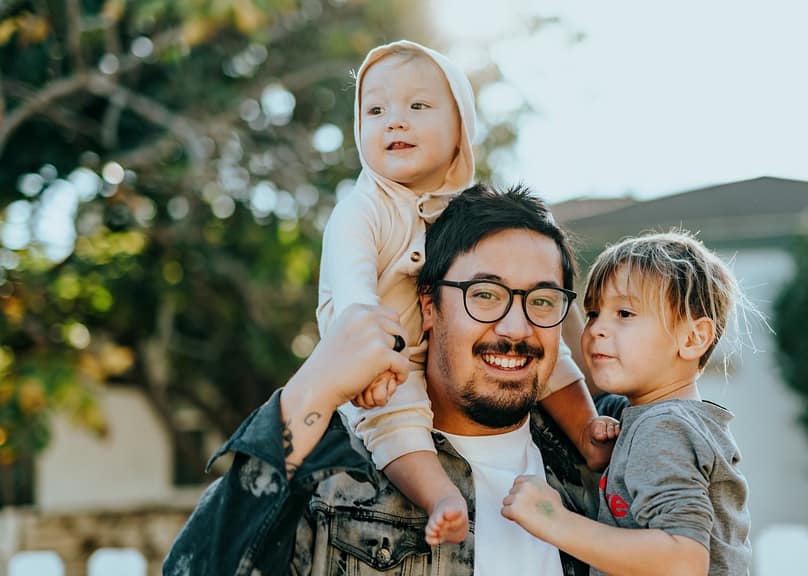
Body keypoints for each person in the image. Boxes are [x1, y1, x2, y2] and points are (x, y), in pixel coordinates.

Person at [164, 184, 614, 576]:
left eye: (541, 300)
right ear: (429, 305)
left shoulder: (611, 463)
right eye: (485, 295)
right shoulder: (337, 477)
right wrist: (315, 384)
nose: (515, 328)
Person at [316, 40, 614, 546]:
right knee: (396, 420)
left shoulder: (466, 214)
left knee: (549, 348)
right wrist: (371, 363)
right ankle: (440, 496)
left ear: (461, 131)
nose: (395, 121)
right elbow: (354, 297)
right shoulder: (362, 209)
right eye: (376, 110)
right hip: (381, 361)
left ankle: (587, 431)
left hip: (425, 350)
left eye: (417, 106)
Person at [502, 231, 753, 576]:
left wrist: (555, 521)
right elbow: (582, 371)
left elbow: (684, 561)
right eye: (592, 313)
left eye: (624, 313)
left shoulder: (664, 429)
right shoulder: (647, 416)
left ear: (693, 338)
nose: (596, 330)